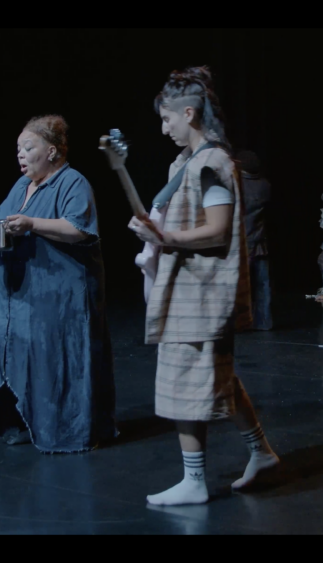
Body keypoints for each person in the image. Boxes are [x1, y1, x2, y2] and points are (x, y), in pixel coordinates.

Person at [114, 67, 279, 505]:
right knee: (218, 375)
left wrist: (164, 237)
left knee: (182, 383)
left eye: (167, 119)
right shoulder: (186, 163)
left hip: (201, 294)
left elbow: (218, 230)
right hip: (187, 289)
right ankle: (261, 452)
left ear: (189, 113)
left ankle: (194, 481)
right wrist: (155, 229)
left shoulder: (211, 163)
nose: (164, 128)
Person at [0, 115, 117, 453]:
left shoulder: (72, 182)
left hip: (59, 294)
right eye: (18, 149)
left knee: (57, 360)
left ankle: (69, 431)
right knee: (21, 356)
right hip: (21, 293)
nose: (20, 154)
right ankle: (25, 423)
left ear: (52, 151)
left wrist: (32, 223)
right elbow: (7, 222)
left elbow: (79, 229)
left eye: (28, 147)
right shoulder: (22, 186)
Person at [236, 150, 272, 330]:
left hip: (242, 242)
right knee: (263, 284)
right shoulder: (265, 185)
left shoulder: (237, 184)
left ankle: (238, 323)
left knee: (239, 285)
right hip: (260, 241)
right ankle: (264, 322)